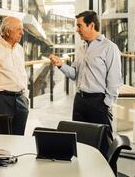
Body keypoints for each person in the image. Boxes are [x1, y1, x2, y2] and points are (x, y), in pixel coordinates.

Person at [49, 10, 122, 154]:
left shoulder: (109, 47)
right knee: (80, 143)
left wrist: (105, 104)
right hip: (80, 102)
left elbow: (114, 80)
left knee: (103, 146)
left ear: (91, 25)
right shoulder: (81, 49)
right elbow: (75, 74)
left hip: (98, 103)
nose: (77, 30)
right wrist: (61, 65)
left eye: (79, 25)